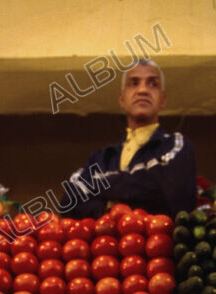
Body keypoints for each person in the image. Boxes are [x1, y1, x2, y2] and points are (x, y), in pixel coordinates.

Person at [61, 59, 196, 219]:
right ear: (122, 99)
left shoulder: (176, 145)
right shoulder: (101, 158)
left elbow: (169, 193)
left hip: (160, 243)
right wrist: (112, 209)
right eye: (134, 83)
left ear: (163, 100)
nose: (143, 90)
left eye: (153, 84)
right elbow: (69, 203)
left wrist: (99, 188)